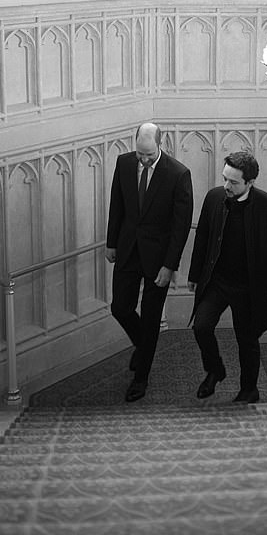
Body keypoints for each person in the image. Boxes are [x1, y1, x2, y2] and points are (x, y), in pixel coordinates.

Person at [187, 150, 267, 403]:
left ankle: (249, 389)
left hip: (249, 286)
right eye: (225, 178)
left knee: (247, 339)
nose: (226, 186)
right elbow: (202, 238)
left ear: (250, 182)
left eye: (233, 182)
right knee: (201, 327)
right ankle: (215, 370)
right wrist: (194, 274)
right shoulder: (214, 198)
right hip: (218, 281)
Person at [106, 122, 193, 402]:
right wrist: (111, 243)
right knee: (120, 307)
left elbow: (180, 227)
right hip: (128, 249)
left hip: (159, 259)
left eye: (148, 154)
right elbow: (116, 203)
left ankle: (141, 378)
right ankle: (143, 346)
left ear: (160, 143)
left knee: (152, 317)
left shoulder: (178, 174)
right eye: (139, 154)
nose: (143, 159)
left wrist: (170, 266)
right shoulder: (123, 163)